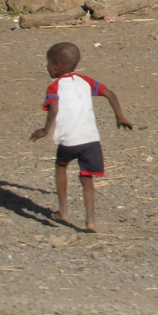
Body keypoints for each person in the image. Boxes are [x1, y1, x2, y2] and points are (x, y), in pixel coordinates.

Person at [29, 42, 132, 232]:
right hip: (91, 140)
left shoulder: (54, 87)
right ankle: (91, 220)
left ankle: (63, 211)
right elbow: (109, 93)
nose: (47, 67)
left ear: (57, 65)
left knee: (61, 166)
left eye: (48, 63)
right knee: (87, 179)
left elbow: (53, 108)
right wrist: (120, 116)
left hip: (69, 140)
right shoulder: (86, 81)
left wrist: (45, 130)